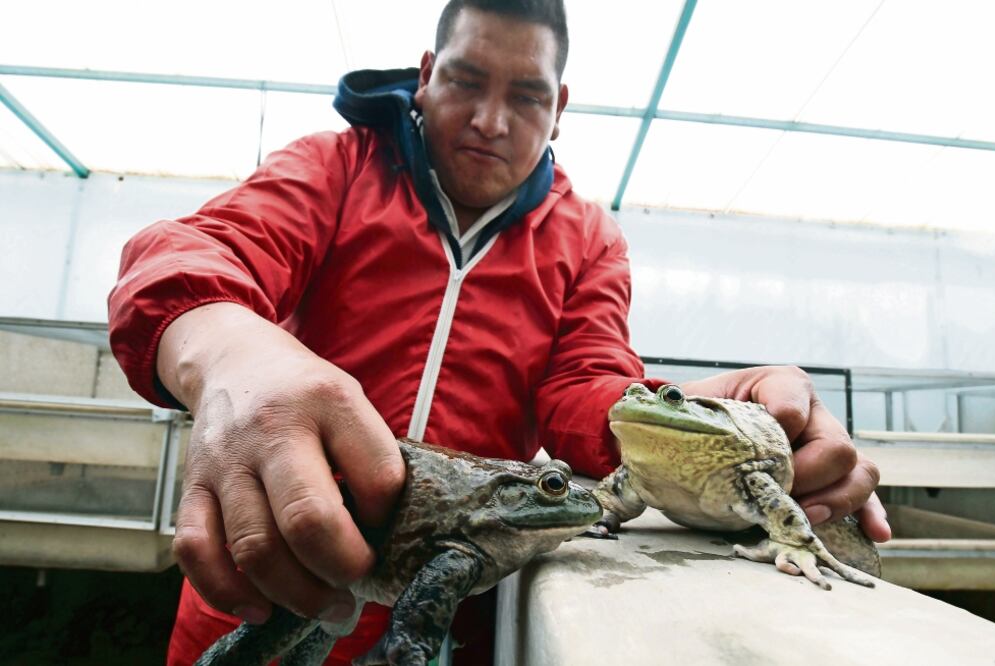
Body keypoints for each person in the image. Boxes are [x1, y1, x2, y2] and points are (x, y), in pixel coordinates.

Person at [108, 1, 890, 663]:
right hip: (269, 573)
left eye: (526, 95)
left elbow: (587, 390)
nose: (490, 120)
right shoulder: (337, 169)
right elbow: (192, 254)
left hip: (454, 606)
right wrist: (230, 352)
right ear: (426, 72)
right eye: (465, 80)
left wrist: (702, 417)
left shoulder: (587, 238)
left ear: (560, 107)